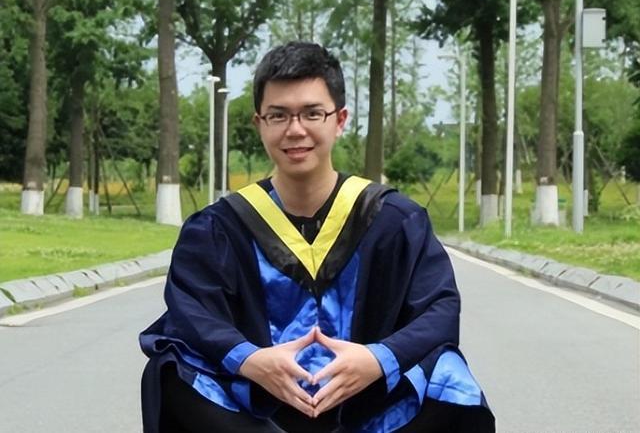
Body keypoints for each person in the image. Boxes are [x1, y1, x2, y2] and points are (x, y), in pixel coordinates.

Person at [140, 41, 495, 433]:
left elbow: (439, 309)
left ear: (339, 120)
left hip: (372, 408)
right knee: (171, 367)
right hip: (256, 411)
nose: (295, 130)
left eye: (312, 113)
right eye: (278, 115)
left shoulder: (394, 221)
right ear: (259, 124)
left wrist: (378, 359)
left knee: (449, 375)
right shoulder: (219, 228)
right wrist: (249, 360)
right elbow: (191, 313)